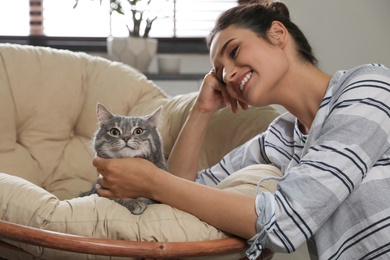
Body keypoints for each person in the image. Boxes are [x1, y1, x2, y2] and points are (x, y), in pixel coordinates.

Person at [93, 1, 390, 259]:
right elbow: (189, 189)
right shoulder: (282, 136)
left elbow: (287, 223)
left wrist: (152, 181)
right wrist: (201, 110)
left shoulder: (371, 88)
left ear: (277, 34)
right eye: (220, 73)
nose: (228, 74)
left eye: (234, 51)